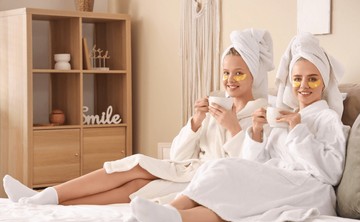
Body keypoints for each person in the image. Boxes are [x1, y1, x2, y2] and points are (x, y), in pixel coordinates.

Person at [3, 28, 274, 206]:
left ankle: (44, 199)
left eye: (238, 73)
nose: (230, 80)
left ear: (255, 76)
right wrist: (196, 122)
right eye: (226, 73)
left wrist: (234, 128)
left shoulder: (261, 115)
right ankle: (43, 198)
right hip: (186, 170)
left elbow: (249, 170)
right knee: (133, 169)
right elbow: (179, 156)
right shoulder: (216, 107)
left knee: (135, 182)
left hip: (208, 182)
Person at [128, 32, 350, 222]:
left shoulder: (327, 118)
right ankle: (174, 216)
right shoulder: (283, 115)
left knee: (226, 170)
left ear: (324, 83)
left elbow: (332, 172)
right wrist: (255, 133)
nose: (303, 85)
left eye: (312, 79)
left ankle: (172, 211)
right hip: (279, 180)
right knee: (230, 190)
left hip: (308, 189)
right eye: (297, 78)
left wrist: (298, 130)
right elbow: (257, 163)